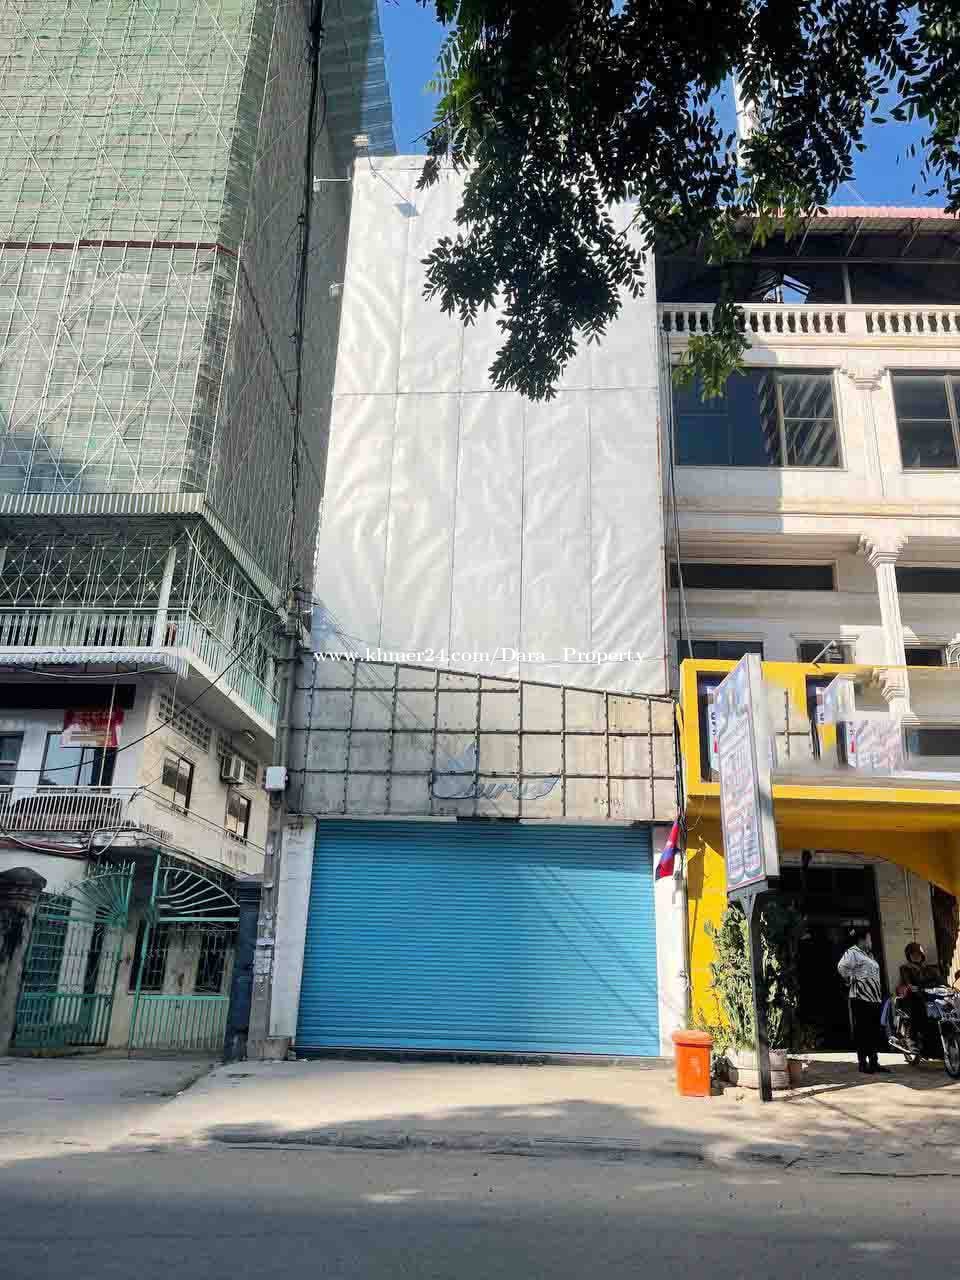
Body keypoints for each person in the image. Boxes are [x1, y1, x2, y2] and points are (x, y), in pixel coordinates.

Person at [838, 926, 888, 1074]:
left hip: (873, 998)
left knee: (873, 1031)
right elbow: (842, 966)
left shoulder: (869, 955)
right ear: (863, 939)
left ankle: (874, 1062)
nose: (871, 941)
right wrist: (852, 979)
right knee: (862, 1031)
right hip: (860, 998)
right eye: (869, 938)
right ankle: (862, 1063)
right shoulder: (853, 952)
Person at [897, 942, 942, 1052]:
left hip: (927, 996)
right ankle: (911, 1039)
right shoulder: (905, 968)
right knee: (917, 1010)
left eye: (918, 954)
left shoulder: (928, 969)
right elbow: (907, 982)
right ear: (909, 956)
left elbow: (939, 980)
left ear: (922, 955)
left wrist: (947, 987)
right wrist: (911, 986)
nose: (916, 956)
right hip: (912, 997)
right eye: (913, 954)